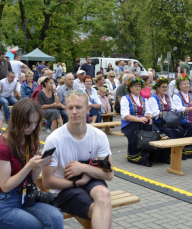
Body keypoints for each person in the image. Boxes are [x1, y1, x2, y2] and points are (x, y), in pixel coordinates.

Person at [42, 90, 113, 228]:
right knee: (101, 210)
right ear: (66, 109)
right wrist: (78, 183)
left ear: (87, 109)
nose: (74, 111)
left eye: (78, 107)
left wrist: (84, 168)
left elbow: (109, 174)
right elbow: (47, 182)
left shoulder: (99, 136)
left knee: (104, 194)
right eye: (70, 107)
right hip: (63, 189)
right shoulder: (54, 139)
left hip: (88, 179)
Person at [0, 98, 64, 229]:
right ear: (17, 120)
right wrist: (29, 166)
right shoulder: (3, 146)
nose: (33, 127)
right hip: (5, 201)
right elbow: (5, 186)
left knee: (57, 217)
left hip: (26, 196)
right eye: (28, 123)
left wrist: (40, 164)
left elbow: (31, 179)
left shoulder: (29, 140)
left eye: (36, 122)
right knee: (36, 226)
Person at [120, 77, 170, 166]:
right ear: (130, 88)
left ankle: (153, 155)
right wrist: (139, 119)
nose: (138, 88)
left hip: (142, 122)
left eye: (139, 86)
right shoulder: (125, 98)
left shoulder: (144, 99)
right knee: (141, 131)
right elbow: (125, 115)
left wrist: (149, 117)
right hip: (129, 124)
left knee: (147, 125)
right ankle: (137, 158)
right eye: (135, 86)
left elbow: (148, 112)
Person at [148, 76, 185, 141]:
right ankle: (169, 150)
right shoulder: (153, 98)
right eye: (163, 87)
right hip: (159, 124)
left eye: (166, 87)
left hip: (169, 123)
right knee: (169, 131)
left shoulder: (168, 97)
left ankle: (178, 150)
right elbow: (154, 113)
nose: (165, 89)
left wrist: (170, 115)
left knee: (180, 129)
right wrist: (165, 114)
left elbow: (173, 109)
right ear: (158, 88)